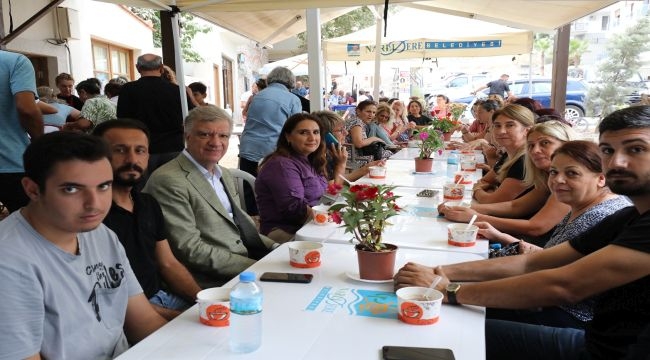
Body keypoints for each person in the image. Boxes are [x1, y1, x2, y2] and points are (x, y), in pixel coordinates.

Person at [394, 105, 650, 360]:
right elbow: (532, 261)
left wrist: (449, 290)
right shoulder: (626, 216)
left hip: (590, 341)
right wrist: (439, 273)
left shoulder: (618, 214)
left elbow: (564, 285)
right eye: (608, 150)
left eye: (636, 149)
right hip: (592, 337)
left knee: (447, 330)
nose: (617, 162)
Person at [0, 132, 166, 359]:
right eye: (71, 189)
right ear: (33, 190)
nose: (94, 204)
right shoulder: (9, 261)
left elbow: (143, 321)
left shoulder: (100, 234)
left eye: (103, 186)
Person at [479, 140, 632, 329]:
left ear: (601, 179)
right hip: (548, 299)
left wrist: (456, 287)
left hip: (570, 316)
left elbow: (553, 277)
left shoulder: (601, 215)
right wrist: (501, 237)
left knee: (468, 317)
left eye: (572, 173)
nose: (558, 180)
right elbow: (552, 257)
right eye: (554, 172)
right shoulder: (583, 204)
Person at [144, 105, 276, 288]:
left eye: (223, 136)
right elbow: (190, 249)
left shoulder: (224, 174)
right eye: (205, 134)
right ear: (187, 136)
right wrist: (258, 267)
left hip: (243, 264)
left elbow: (240, 225)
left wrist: (275, 249)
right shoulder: (169, 180)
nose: (215, 142)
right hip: (208, 280)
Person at [93, 119, 202, 320]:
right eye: (120, 150)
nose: (132, 159)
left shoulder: (147, 203)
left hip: (163, 297)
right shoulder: (92, 217)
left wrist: (205, 302)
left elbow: (168, 264)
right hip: (127, 312)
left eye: (140, 150)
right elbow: (108, 295)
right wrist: (178, 318)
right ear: (97, 157)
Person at [443, 121, 577, 244]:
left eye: (545, 143)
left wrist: (476, 217)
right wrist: (459, 207)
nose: (535, 150)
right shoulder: (547, 176)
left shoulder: (570, 181)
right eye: (530, 145)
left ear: (566, 145)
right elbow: (516, 206)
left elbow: (536, 227)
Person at [255, 113, 331, 243]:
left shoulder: (310, 160)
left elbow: (325, 193)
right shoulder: (281, 164)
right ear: (288, 136)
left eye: (316, 132)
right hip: (286, 230)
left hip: (310, 223)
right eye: (303, 133)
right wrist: (327, 219)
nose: (312, 138)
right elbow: (294, 209)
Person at [239, 66, 302, 215]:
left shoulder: (257, 96)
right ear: (290, 82)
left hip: (248, 147)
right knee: (273, 190)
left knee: (249, 189)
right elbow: (297, 127)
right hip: (272, 150)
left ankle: (251, 223)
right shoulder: (292, 99)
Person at [117, 54, 191, 174]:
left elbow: (122, 119)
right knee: (172, 187)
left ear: (137, 68)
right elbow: (190, 117)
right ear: (161, 68)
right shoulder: (176, 90)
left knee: (144, 189)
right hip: (172, 147)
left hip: (140, 148)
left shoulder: (128, 89)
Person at [0, 50, 43, 213]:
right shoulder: (15, 61)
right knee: (31, 227)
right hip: (11, 162)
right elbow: (27, 109)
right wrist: (40, 144)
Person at [472, 104, 534, 204]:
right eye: (497, 126)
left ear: (527, 130)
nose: (501, 131)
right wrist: (491, 191)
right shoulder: (509, 154)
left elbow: (492, 201)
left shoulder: (525, 161)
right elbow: (485, 181)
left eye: (510, 125)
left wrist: (477, 191)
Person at [313, 110, 385, 183]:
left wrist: (365, 169)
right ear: (326, 135)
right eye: (340, 130)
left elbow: (337, 179)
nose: (346, 133)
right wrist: (341, 164)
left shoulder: (328, 153)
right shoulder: (316, 158)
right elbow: (332, 186)